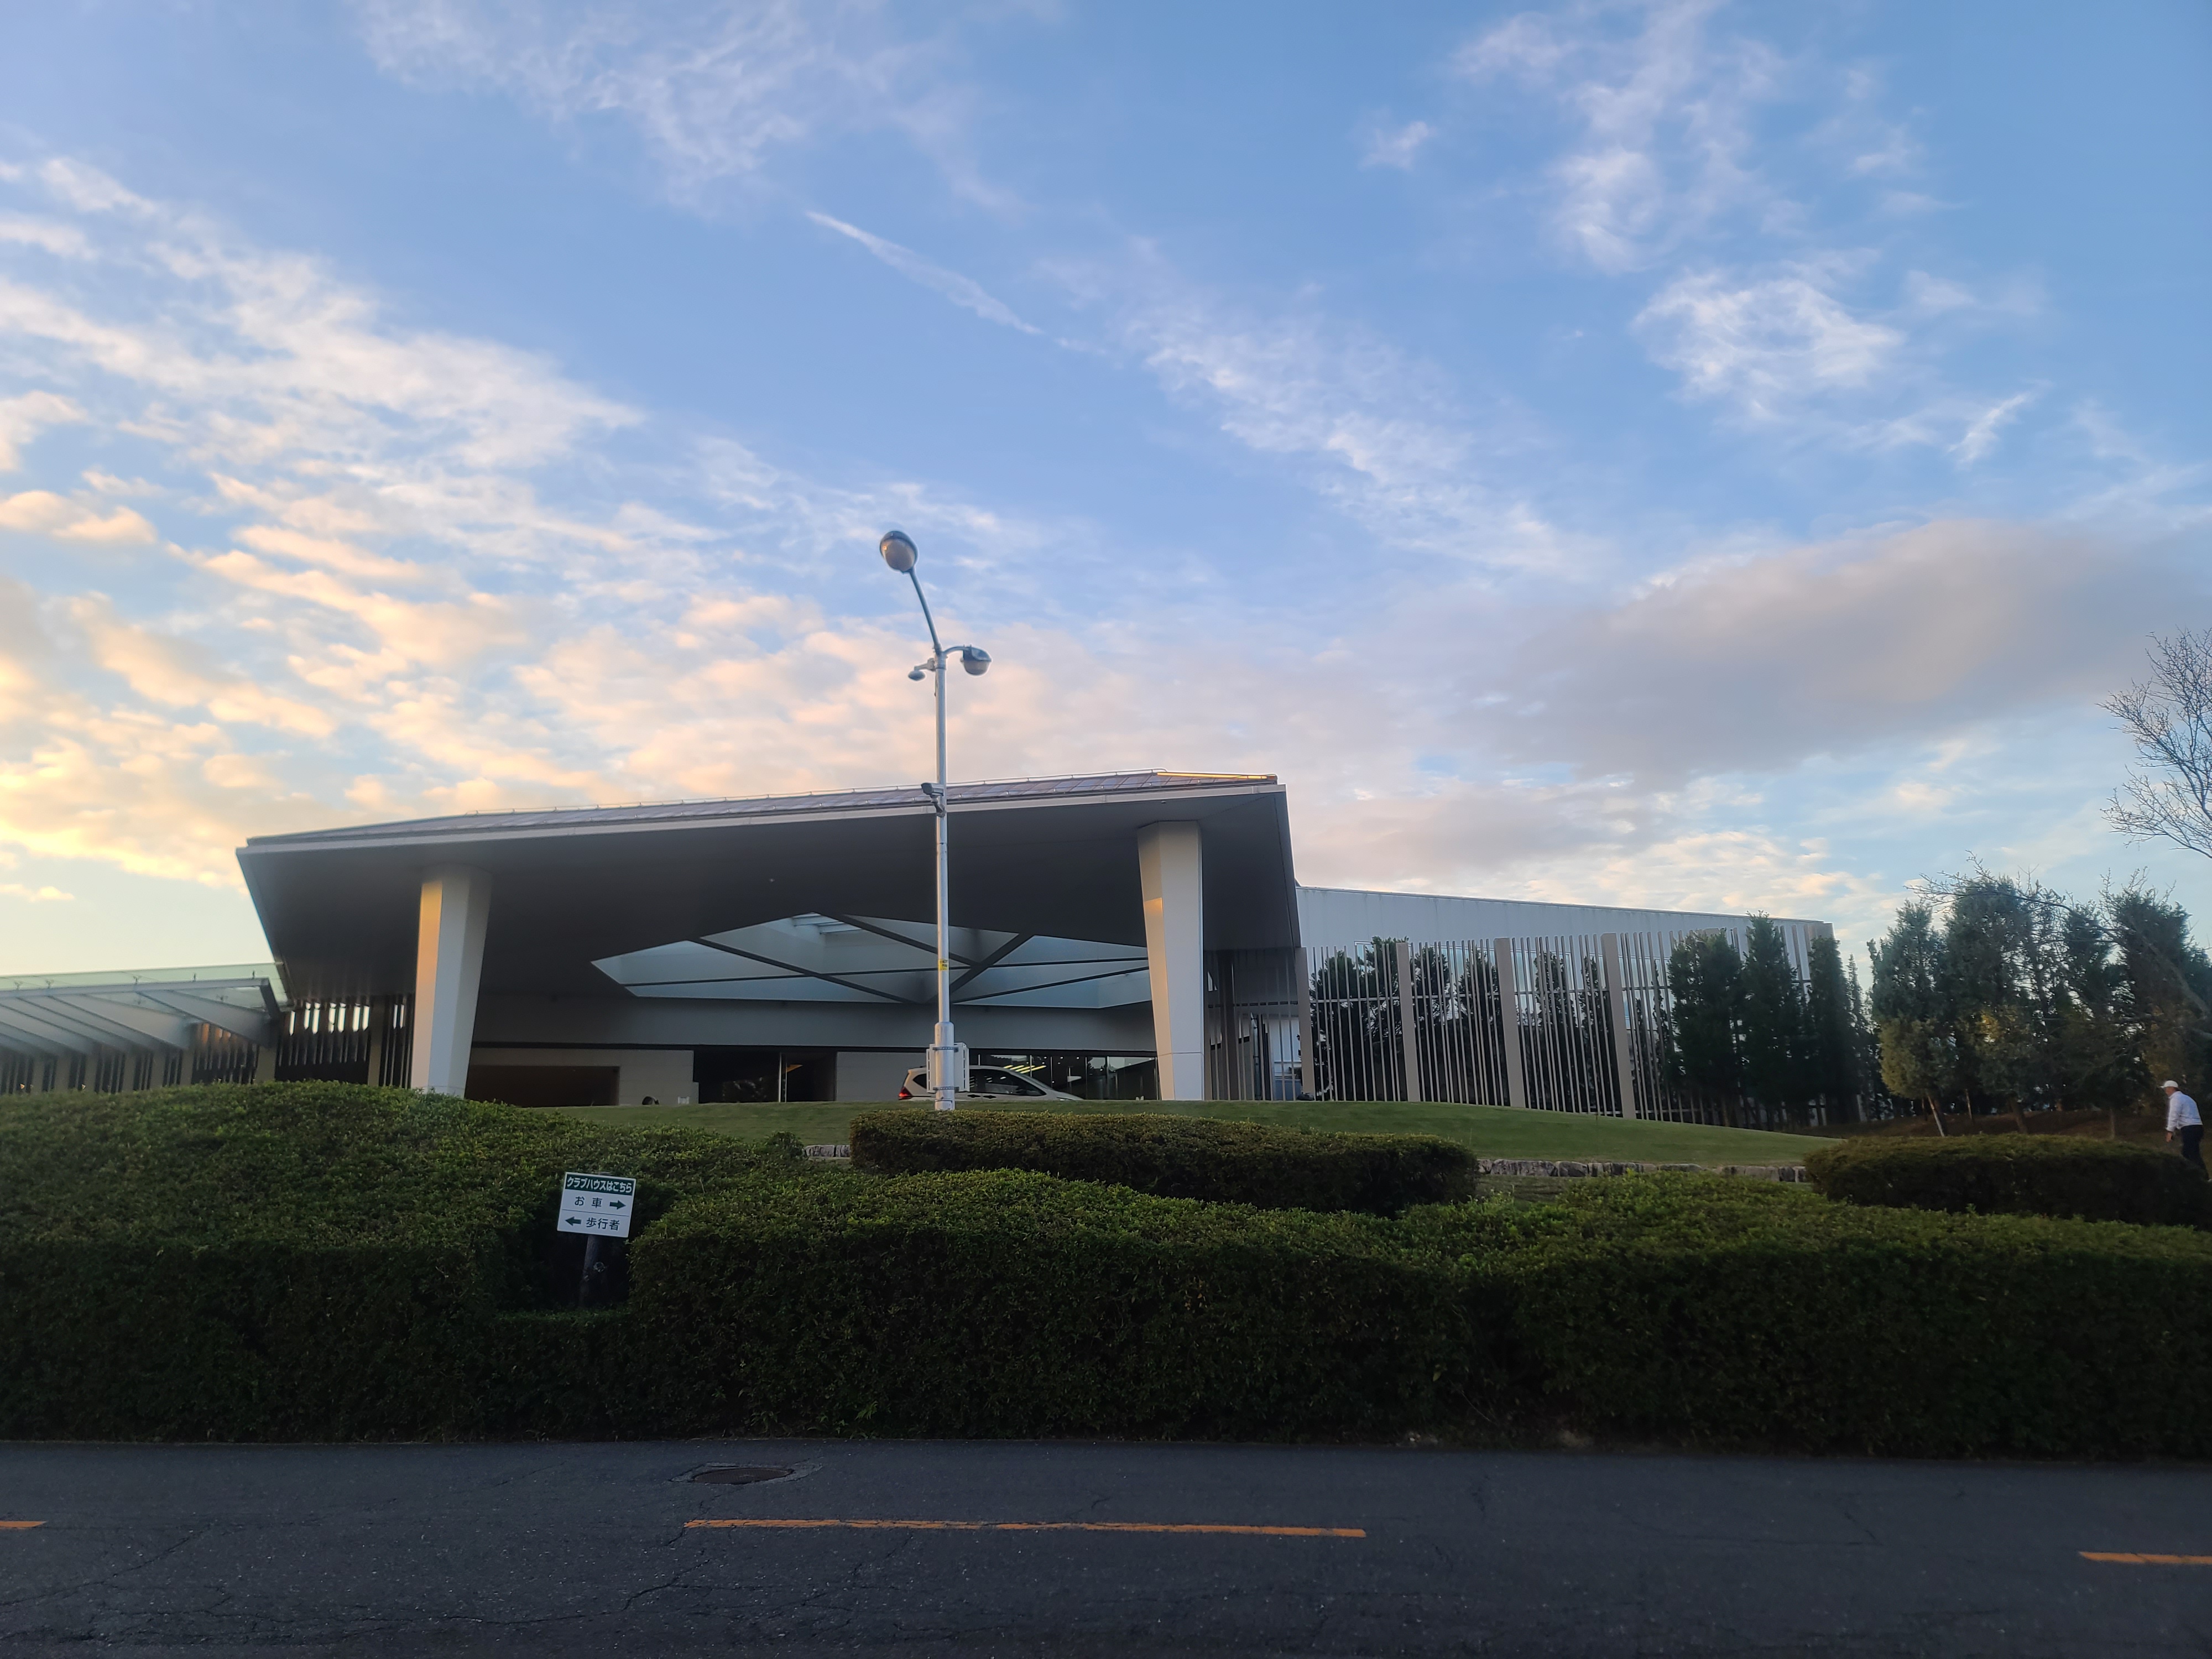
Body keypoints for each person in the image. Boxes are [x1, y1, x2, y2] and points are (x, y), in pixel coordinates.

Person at [2163, 1081, 2203, 1173]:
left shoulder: (2176, 1099)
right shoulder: (2188, 1098)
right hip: (2198, 1127)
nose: (2166, 1091)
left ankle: (2202, 1176)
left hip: (2189, 1128)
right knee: (2189, 1153)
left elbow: (2174, 1115)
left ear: (2172, 1088)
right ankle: (2193, 1175)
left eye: (2167, 1089)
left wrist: (2170, 1131)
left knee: (2191, 1154)